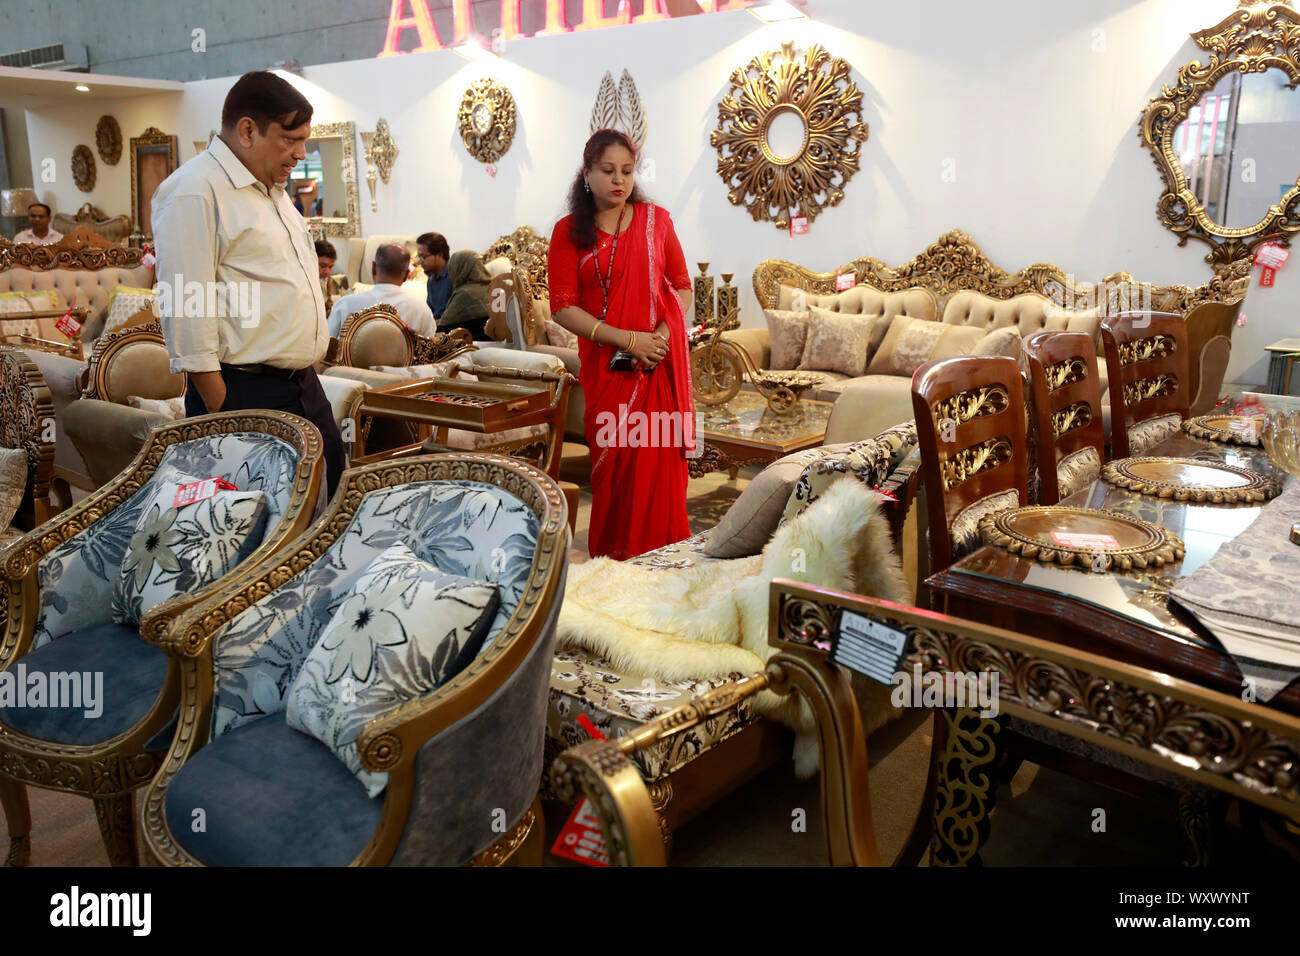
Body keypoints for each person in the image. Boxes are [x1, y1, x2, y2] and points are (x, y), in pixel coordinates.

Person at [152, 70, 345, 498]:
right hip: (243, 392)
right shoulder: (194, 190)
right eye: (290, 139)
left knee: (327, 514)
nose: (301, 152)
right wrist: (223, 407)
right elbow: (187, 307)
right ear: (247, 130)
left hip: (303, 388)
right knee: (260, 538)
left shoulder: (272, 192)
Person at [548, 128, 694, 560]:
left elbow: (683, 289)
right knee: (616, 470)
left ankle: (663, 567)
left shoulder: (657, 223)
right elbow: (562, 307)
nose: (619, 180)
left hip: (656, 370)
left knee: (658, 471)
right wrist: (628, 340)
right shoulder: (567, 232)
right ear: (587, 173)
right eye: (608, 171)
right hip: (608, 370)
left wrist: (660, 342)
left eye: (627, 171)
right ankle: (615, 569)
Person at [327, 243, 434, 337]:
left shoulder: (345, 304)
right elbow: (431, 352)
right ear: (406, 275)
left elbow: (325, 346)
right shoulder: (422, 309)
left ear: (373, 268)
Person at [437, 250, 492, 341]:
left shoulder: (465, 293)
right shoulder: (493, 286)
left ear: (458, 269)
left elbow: (443, 325)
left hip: (471, 346)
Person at [416, 232, 452, 319]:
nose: (420, 261)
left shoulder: (453, 275)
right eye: (419, 257)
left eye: (424, 256)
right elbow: (429, 312)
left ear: (440, 255)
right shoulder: (431, 279)